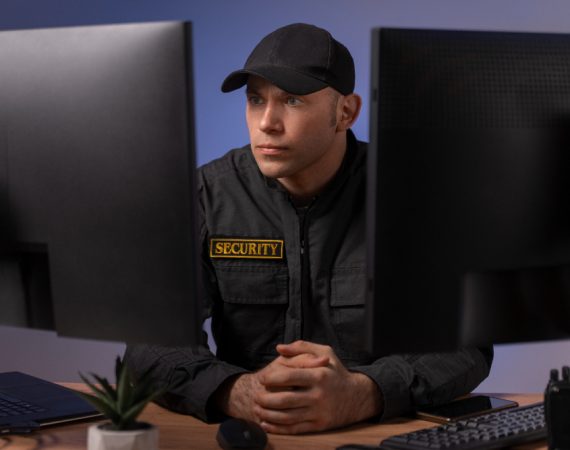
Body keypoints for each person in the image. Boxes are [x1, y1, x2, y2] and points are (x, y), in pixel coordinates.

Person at [124, 23, 493, 435]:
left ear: (346, 112)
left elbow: (467, 345)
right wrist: (238, 391)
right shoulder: (204, 195)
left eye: (292, 100)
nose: (267, 122)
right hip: (245, 435)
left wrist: (363, 392)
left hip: (375, 436)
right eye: (255, 99)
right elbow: (149, 342)